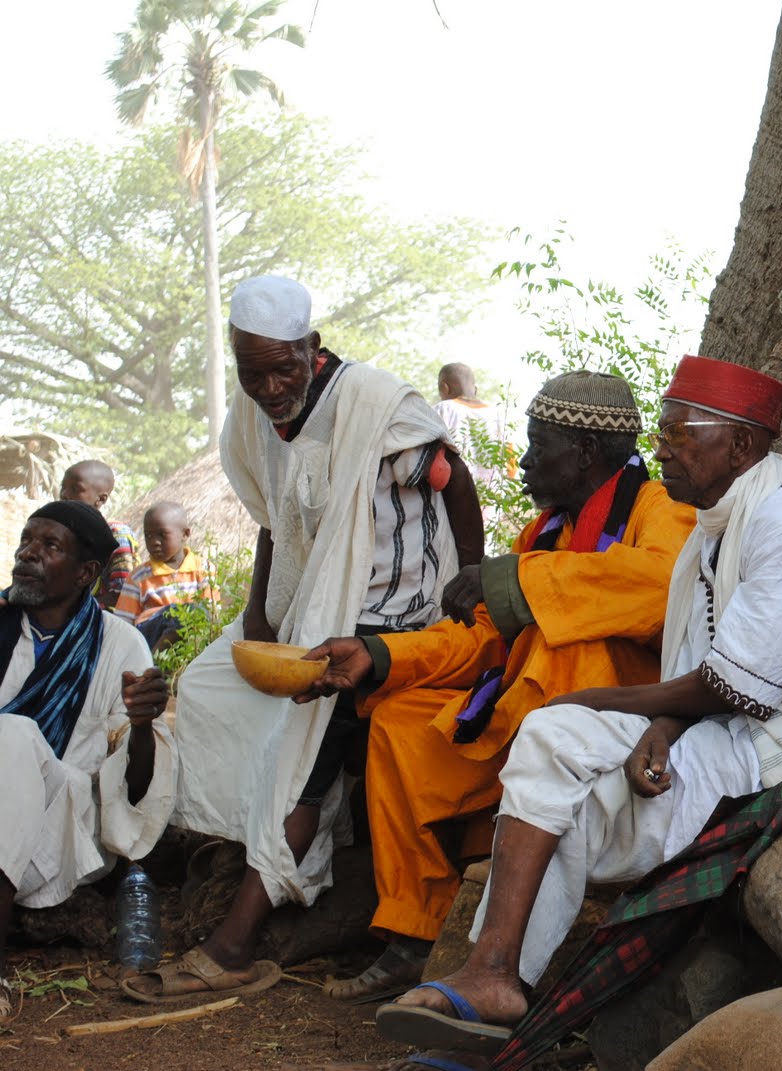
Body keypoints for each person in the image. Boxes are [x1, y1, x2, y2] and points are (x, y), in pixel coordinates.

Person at [373, 355, 782, 1054]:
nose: (663, 451)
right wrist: (662, 725)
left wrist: (609, 701)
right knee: (563, 798)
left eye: (682, 436)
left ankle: (493, 975)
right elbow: (712, 671)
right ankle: (490, 987)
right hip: (739, 731)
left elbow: (739, 684)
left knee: (561, 735)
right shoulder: (711, 531)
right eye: (665, 435)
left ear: (741, 446)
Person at [125, 275, 485, 1001]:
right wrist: (259, 615)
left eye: (282, 367)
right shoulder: (255, 420)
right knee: (210, 687)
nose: (267, 385)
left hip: (397, 611)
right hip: (315, 605)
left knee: (309, 743)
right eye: (250, 372)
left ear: (311, 349)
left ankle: (235, 941)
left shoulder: (374, 406)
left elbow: (455, 480)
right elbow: (271, 521)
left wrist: (472, 578)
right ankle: (244, 859)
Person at [301, 371, 694, 1001]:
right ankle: (416, 932)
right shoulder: (545, 535)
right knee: (400, 721)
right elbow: (483, 640)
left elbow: (659, 584)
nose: (525, 462)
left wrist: (513, 580)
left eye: (539, 446)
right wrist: (378, 655)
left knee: (575, 638)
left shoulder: (659, 511)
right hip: (523, 709)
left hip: (612, 722)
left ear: (586, 453)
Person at [0, 501, 174, 1022]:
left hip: (66, 822)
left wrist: (142, 725)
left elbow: (137, 786)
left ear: (85, 573)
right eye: (28, 539)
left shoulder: (120, 644)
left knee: (13, 734)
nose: (28, 553)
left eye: (50, 546)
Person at [113, 501, 217, 652]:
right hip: (149, 636)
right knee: (178, 613)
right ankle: (154, 662)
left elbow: (212, 611)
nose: (154, 542)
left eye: (162, 535)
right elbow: (123, 624)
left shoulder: (204, 569)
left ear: (185, 534)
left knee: (196, 612)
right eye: (148, 535)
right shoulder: (138, 576)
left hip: (190, 635)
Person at [58, 460, 139, 611]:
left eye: (75, 488)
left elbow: (120, 594)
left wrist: (69, 608)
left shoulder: (115, 535)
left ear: (101, 499)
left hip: (102, 622)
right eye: (63, 487)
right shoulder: (62, 536)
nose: (64, 494)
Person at [436, 362, 512, 486]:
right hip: (493, 498)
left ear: (444, 388)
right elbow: (510, 463)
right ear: (475, 390)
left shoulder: (443, 409)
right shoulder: (499, 415)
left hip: (454, 494)